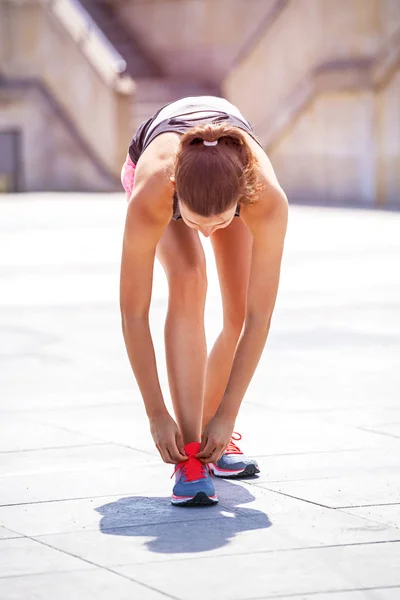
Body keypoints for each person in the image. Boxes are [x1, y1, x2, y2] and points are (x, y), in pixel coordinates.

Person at [120, 96, 288, 506]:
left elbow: (257, 315)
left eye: (222, 222)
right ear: (178, 196)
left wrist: (228, 413)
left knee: (238, 306)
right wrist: (156, 413)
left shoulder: (264, 198)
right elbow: (134, 314)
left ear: (242, 198)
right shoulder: (153, 193)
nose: (208, 234)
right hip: (156, 166)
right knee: (190, 277)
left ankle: (217, 434)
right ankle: (190, 456)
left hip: (223, 177)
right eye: (196, 223)